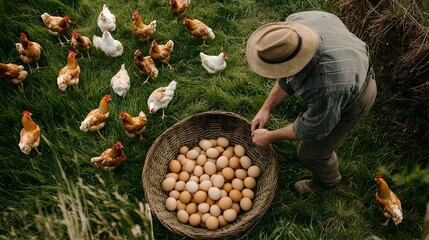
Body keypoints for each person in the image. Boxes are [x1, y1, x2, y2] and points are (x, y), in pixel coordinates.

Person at [246, 11, 377, 195]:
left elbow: (313, 128)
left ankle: (327, 182)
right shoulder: (297, 24)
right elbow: (288, 72)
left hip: (358, 91)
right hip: (344, 61)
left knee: (311, 153)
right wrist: (265, 108)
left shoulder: (327, 88)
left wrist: (270, 136)